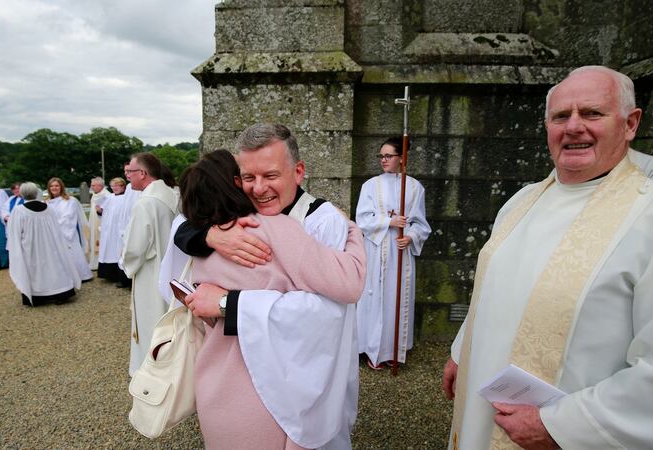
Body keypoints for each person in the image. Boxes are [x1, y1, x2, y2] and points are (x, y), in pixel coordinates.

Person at [443, 66, 653, 449]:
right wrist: (461, 352)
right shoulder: (521, 202)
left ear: (630, 124)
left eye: (592, 113)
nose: (574, 126)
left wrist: (563, 427)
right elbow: (494, 290)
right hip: (484, 407)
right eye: (561, 116)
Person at [175, 124, 364, 449]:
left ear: (299, 171)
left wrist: (228, 304)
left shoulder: (322, 221)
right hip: (260, 393)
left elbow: (325, 312)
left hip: (294, 373)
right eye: (248, 178)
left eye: (271, 176)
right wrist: (207, 236)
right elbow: (181, 231)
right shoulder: (227, 227)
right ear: (236, 180)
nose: (259, 189)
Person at [355, 136, 431, 369]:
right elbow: (362, 218)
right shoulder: (370, 186)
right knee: (374, 296)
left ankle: (392, 351)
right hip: (377, 249)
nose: (383, 160)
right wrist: (389, 221)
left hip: (400, 253)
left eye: (388, 156)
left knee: (396, 298)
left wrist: (411, 237)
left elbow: (420, 223)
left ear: (401, 158)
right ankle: (370, 349)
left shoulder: (414, 187)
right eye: (381, 156)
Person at [121, 153, 179, 376]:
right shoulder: (171, 195)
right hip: (172, 268)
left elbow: (135, 248)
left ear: (142, 173)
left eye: (130, 173)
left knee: (150, 319)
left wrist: (126, 262)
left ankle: (152, 370)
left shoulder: (146, 203)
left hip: (150, 271)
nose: (128, 178)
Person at [7, 182, 81, 306]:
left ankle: (38, 296)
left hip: (31, 247)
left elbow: (14, 232)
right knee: (54, 266)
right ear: (36, 193)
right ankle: (61, 293)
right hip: (50, 245)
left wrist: (15, 249)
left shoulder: (19, 210)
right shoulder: (47, 208)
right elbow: (56, 230)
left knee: (35, 269)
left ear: (22, 194)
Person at [46, 177, 93, 282]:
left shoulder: (70, 200)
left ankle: (81, 275)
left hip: (68, 233)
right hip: (53, 233)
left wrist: (56, 227)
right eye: (51, 186)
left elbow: (69, 216)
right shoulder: (47, 203)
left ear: (61, 187)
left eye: (56, 185)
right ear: (49, 188)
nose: (54, 188)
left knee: (73, 253)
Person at [96, 177, 128, 284]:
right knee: (108, 251)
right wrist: (99, 211)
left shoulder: (126, 198)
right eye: (112, 186)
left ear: (123, 186)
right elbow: (103, 212)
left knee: (118, 251)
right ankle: (109, 275)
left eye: (116, 185)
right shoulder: (109, 197)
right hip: (109, 230)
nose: (114, 188)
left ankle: (120, 277)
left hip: (119, 229)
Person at [87, 177, 109, 270]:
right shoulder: (95, 194)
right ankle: (94, 263)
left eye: (93, 185)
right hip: (93, 222)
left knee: (101, 243)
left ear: (100, 185)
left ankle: (100, 264)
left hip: (102, 224)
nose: (91, 187)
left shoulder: (106, 195)